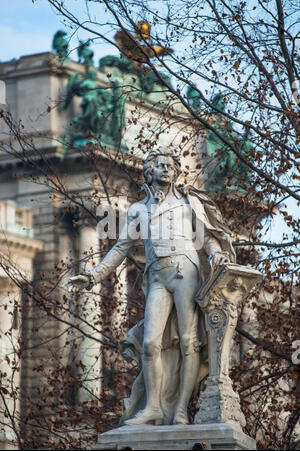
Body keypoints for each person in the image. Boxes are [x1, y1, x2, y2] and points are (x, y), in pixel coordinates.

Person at [66, 146, 235, 425]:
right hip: (157, 276)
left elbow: (206, 237)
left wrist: (216, 253)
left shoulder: (187, 202)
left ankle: (181, 407)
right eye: (160, 164)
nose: (166, 168)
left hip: (185, 270)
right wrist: (94, 275)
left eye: (170, 164)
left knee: (189, 341)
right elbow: (120, 248)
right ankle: (153, 406)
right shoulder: (138, 210)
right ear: (149, 171)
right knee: (149, 343)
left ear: (177, 170)